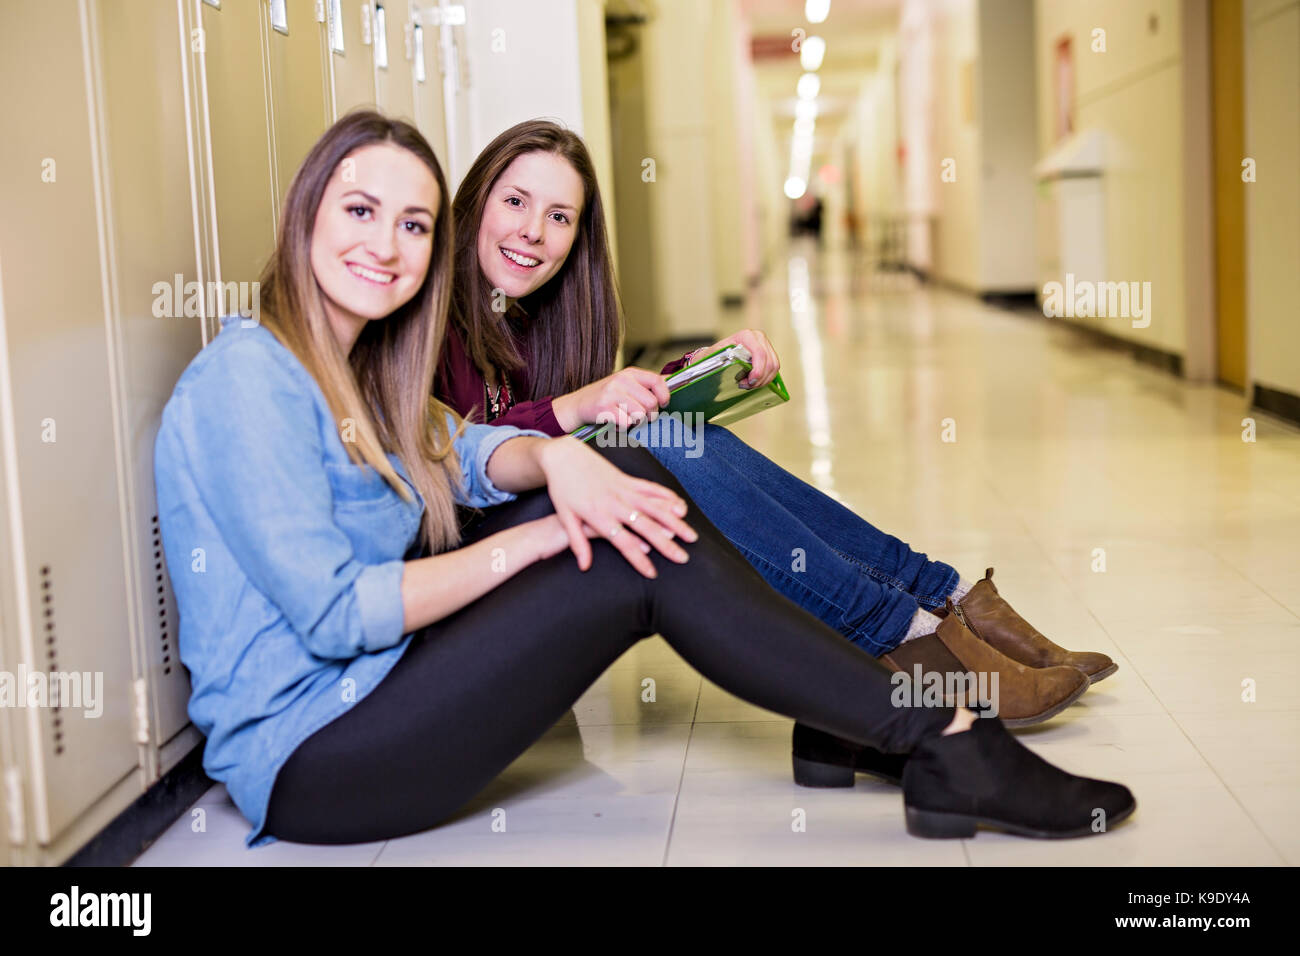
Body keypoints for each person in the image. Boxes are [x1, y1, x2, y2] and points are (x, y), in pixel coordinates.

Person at [153, 109, 1134, 849]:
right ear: (305, 215)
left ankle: (922, 725)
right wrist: (542, 530)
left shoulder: (360, 369)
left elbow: (471, 447)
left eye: (411, 224)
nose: (388, 245)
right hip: (316, 758)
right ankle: (940, 726)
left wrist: (559, 456)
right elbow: (337, 615)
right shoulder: (250, 378)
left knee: (624, 477)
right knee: (624, 549)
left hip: (383, 692)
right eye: (360, 211)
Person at [436, 120, 1118, 784]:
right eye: (516, 202)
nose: (533, 230)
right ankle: (899, 637)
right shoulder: (429, 316)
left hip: (548, 525)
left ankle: (940, 598)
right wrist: (580, 408)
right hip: (474, 567)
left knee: (678, 431)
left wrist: (691, 371)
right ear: (475, 206)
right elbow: (452, 450)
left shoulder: (536, 315)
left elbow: (578, 416)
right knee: (648, 443)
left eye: (560, 217)